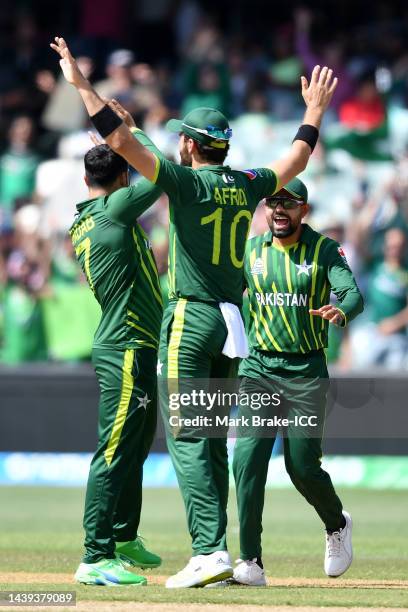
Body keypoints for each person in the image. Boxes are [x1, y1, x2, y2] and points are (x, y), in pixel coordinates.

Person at [51, 36, 338, 589]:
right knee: (208, 436)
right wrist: (314, 110)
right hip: (235, 325)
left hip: (190, 319)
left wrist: (82, 86)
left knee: (187, 437)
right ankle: (218, 550)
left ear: (188, 146)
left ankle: (209, 550)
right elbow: (299, 156)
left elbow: (117, 141)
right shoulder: (249, 182)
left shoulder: (181, 181)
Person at [229, 177, 363, 586]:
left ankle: (336, 523)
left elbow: (353, 294)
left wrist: (341, 313)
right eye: (274, 203)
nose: (280, 210)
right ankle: (250, 561)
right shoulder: (251, 250)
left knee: (301, 467)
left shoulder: (323, 249)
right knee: (246, 461)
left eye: (290, 203)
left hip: (305, 373)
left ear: (304, 210)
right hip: (259, 371)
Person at [69, 139, 163, 586]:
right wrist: (128, 131)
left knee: (135, 445)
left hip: (136, 345)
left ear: (86, 178)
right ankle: (94, 557)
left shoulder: (85, 220)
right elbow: (162, 169)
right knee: (113, 450)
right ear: (122, 180)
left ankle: (122, 536)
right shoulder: (114, 211)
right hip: (125, 346)